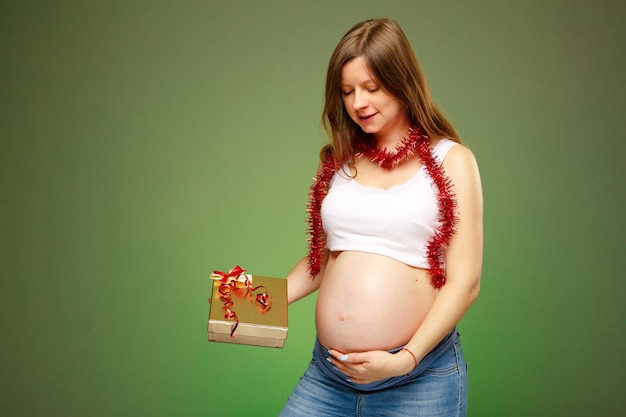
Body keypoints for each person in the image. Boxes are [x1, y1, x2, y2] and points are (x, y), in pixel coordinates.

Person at [279, 18, 483, 417]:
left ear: (402, 82)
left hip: (419, 378)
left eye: (371, 88)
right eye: (347, 91)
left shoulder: (452, 161)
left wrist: (405, 358)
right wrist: (255, 300)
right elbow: (324, 259)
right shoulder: (341, 162)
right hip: (329, 375)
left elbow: (466, 281)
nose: (358, 103)